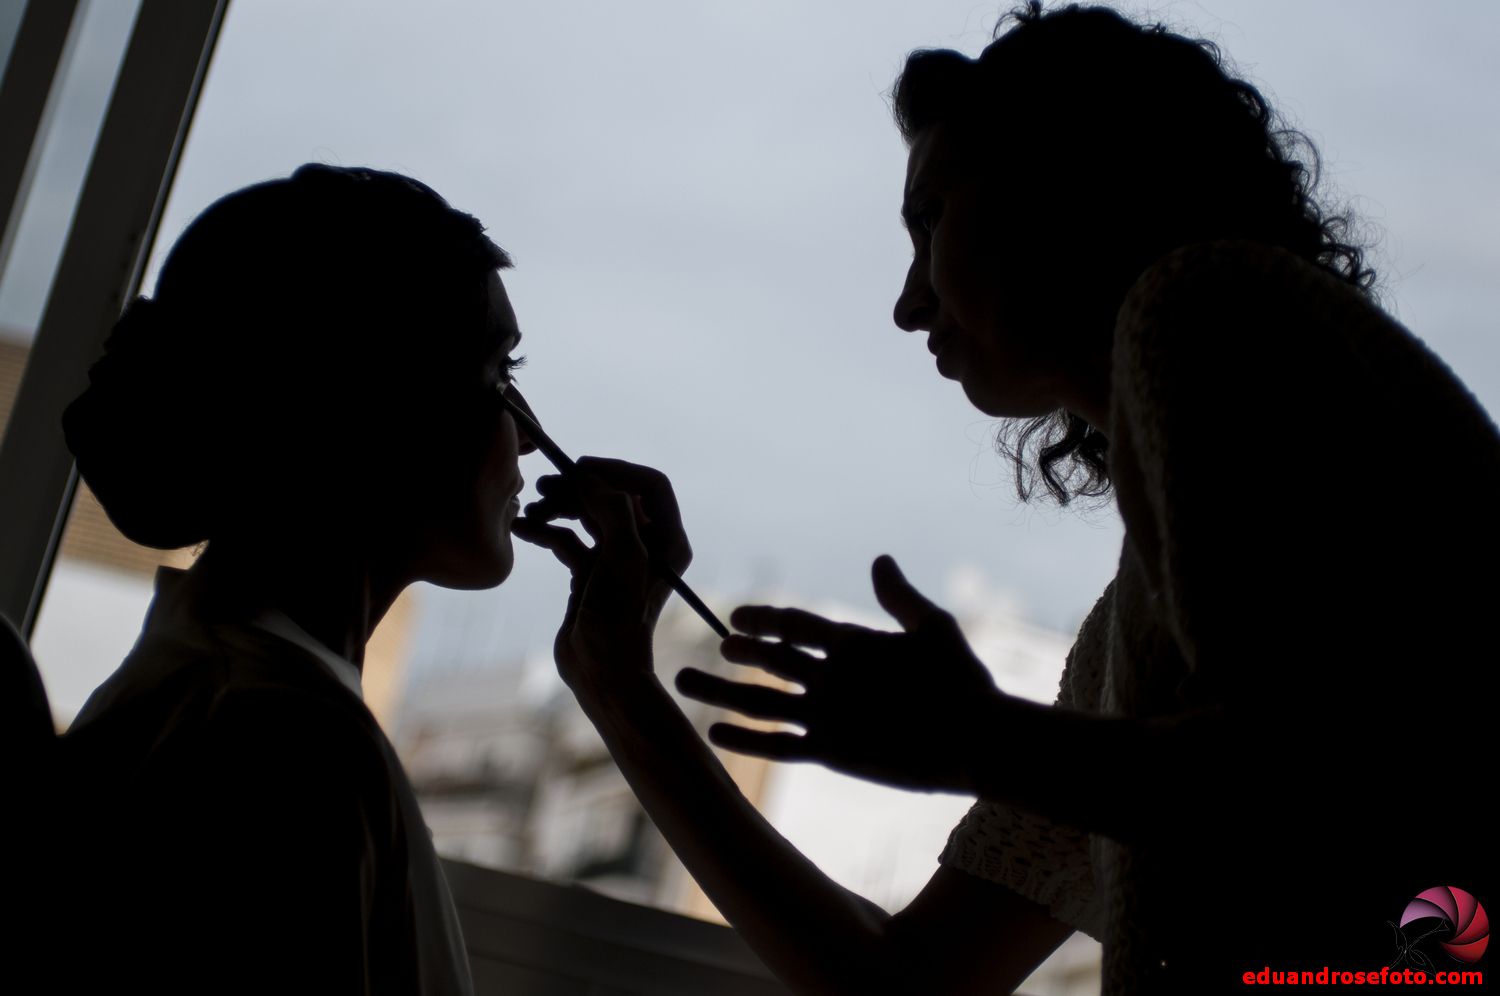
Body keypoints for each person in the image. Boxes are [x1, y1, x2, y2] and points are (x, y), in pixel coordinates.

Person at [514, 4, 1497, 994]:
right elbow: (913, 977)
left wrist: (978, 740)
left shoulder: (1198, 295)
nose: (908, 302)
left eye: (931, 215)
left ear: (1068, 176)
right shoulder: (1128, 636)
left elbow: (1316, 780)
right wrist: (614, 683)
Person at [53, 164, 536, 994]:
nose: (526, 438)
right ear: (370, 411)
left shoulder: (229, 692)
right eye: (499, 380)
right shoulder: (287, 753)